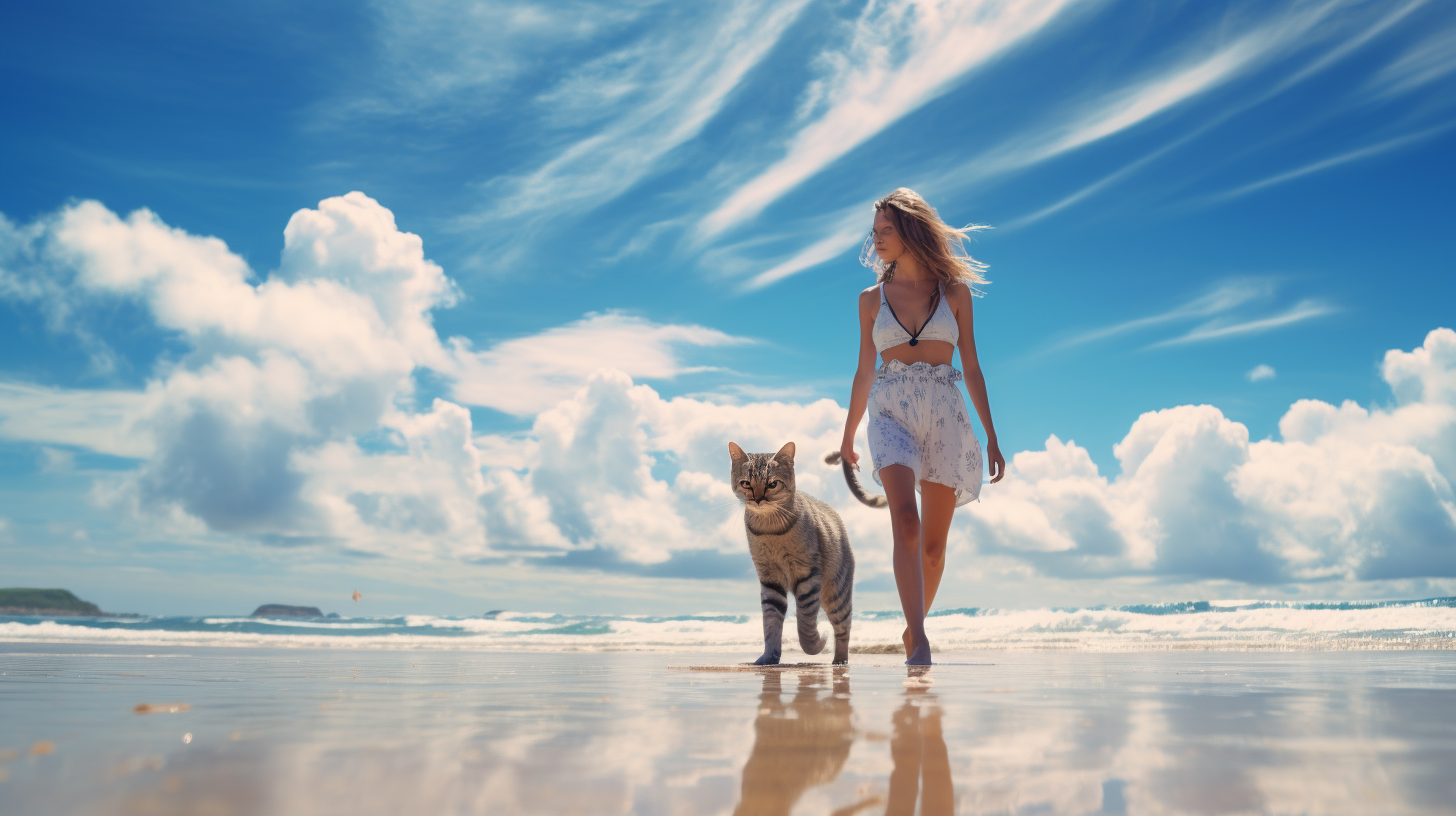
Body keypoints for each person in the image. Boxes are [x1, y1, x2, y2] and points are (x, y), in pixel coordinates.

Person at [839, 188, 1005, 665]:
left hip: (945, 417)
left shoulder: (954, 294)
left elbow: (971, 367)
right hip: (890, 413)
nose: (877, 242)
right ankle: (921, 641)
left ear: (911, 231)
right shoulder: (871, 301)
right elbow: (863, 370)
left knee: (932, 551)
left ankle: (913, 631)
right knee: (906, 526)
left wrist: (992, 435)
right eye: (874, 234)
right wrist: (848, 435)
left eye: (886, 231)